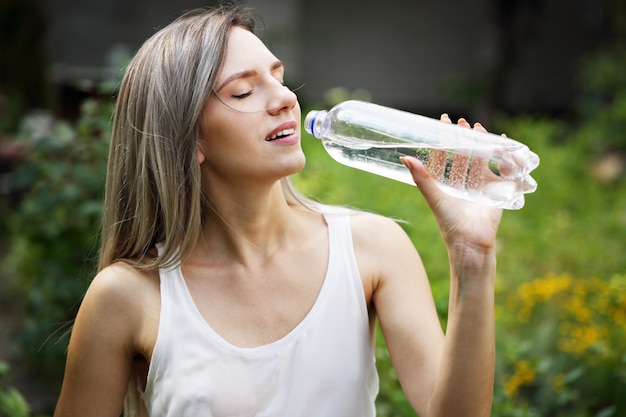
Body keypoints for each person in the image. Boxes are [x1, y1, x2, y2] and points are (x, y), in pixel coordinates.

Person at [53, 4, 502, 417]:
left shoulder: (371, 248)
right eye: (245, 91)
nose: (285, 98)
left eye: (279, 77)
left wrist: (473, 257)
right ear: (190, 141)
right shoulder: (127, 296)